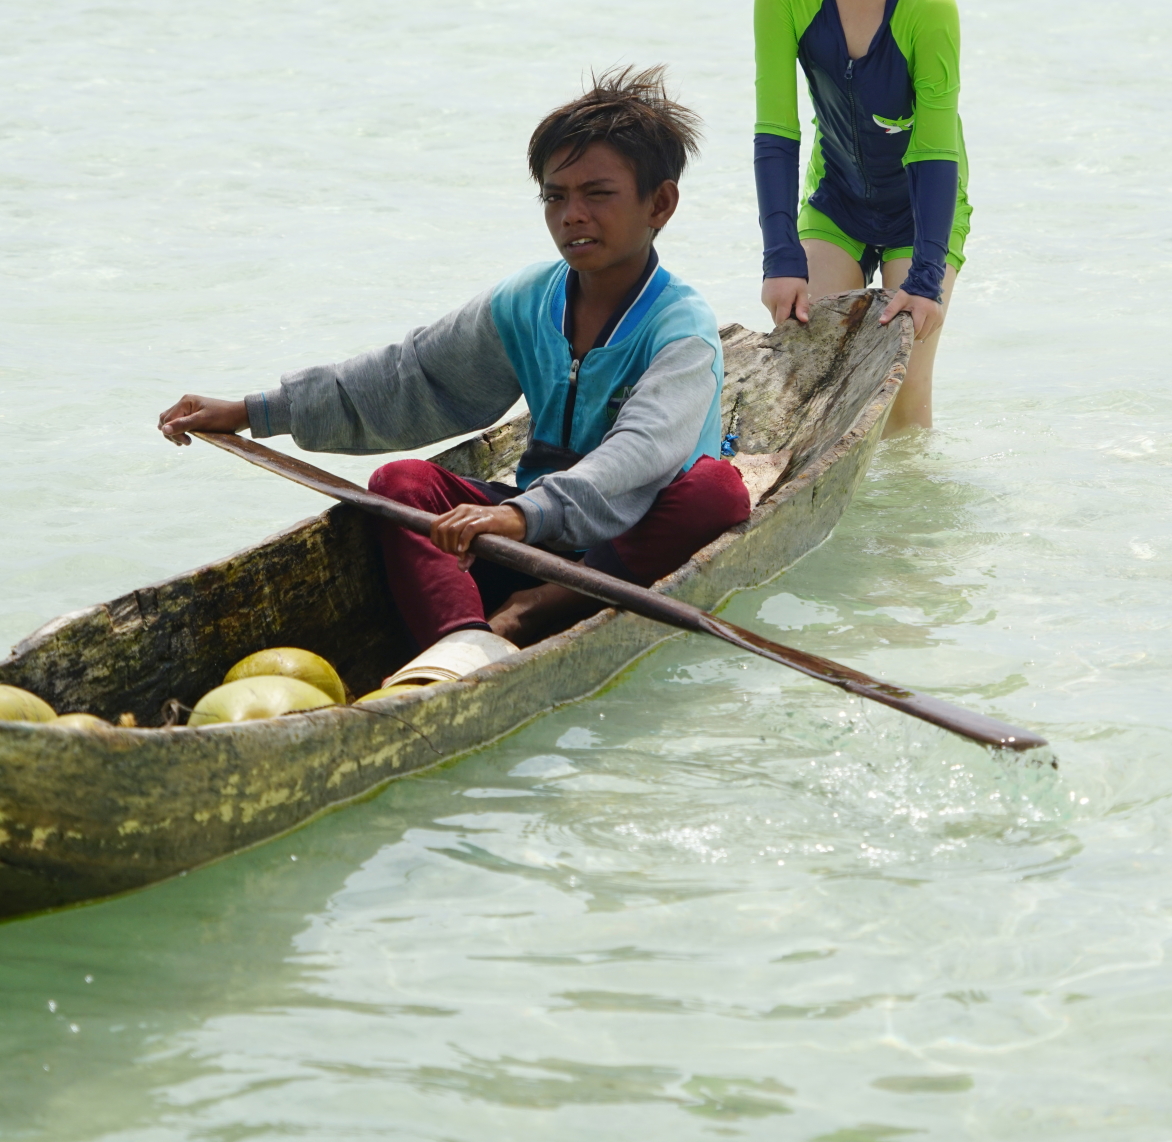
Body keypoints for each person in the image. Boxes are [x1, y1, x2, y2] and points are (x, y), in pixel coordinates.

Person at [158, 69, 749, 686]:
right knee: (399, 483)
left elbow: (642, 453)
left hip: (630, 544)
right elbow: (409, 376)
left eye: (597, 194)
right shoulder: (526, 299)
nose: (572, 216)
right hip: (527, 534)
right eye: (554, 196)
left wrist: (523, 516)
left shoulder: (681, 329)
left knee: (716, 493)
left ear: (660, 203)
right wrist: (256, 412)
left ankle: (530, 614)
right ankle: (464, 643)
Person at [753, 0, 970, 435]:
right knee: (812, 381)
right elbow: (776, 134)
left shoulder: (931, 5)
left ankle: (908, 532)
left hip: (922, 211)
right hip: (837, 202)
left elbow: (934, 151)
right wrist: (780, 257)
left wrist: (926, 278)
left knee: (903, 399)